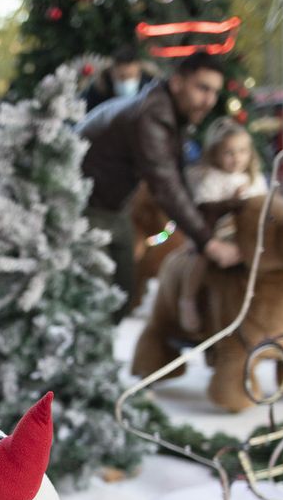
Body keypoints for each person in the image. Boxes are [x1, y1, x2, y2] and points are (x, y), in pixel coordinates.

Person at [76, 53, 243, 316]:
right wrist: (208, 242)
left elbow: (177, 177)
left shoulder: (168, 111)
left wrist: (212, 215)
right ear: (177, 83)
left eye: (214, 92)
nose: (209, 101)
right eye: (202, 88)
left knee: (122, 295)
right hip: (84, 207)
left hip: (111, 207)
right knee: (102, 303)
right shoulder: (151, 116)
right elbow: (165, 184)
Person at [174, 118, 268, 335]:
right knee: (201, 258)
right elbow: (205, 213)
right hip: (217, 234)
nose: (237, 158)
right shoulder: (212, 179)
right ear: (216, 153)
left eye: (242, 151)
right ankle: (187, 299)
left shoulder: (255, 179)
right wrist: (231, 203)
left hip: (248, 235)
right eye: (229, 152)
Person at [82, 44, 153, 112]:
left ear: (139, 73)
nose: (127, 81)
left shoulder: (151, 91)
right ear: (112, 73)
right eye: (122, 77)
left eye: (131, 76)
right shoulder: (97, 92)